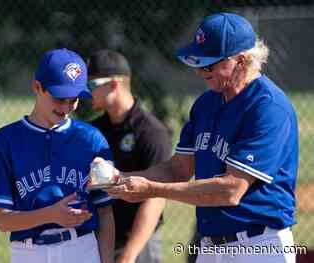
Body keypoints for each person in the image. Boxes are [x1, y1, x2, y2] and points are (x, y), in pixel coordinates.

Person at [104, 12, 299, 263]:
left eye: (209, 64)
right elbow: (178, 169)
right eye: (198, 62)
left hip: (259, 245)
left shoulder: (268, 108)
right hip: (209, 246)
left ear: (241, 60)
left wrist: (151, 190)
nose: (200, 71)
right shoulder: (206, 104)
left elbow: (231, 190)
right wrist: (120, 179)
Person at [0, 48, 115, 263]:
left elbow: (105, 214)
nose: (67, 107)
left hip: (81, 248)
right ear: (37, 87)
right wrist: (50, 215)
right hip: (29, 253)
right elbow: (3, 221)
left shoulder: (91, 139)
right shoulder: (3, 142)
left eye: (74, 99)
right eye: (60, 98)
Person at [87, 49, 172, 263]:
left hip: (138, 243)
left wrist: (129, 255)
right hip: (100, 239)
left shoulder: (151, 132)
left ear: (114, 85)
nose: (86, 93)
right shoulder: (94, 131)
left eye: (91, 86)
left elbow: (155, 199)